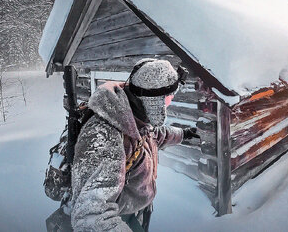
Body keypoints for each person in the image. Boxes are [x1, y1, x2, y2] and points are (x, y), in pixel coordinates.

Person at [69, 59, 198, 231]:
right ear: (153, 100)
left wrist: (183, 134)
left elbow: (154, 135)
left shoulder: (135, 115)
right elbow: (92, 217)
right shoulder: (104, 136)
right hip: (120, 218)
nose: (170, 104)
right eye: (167, 99)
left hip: (139, 210)